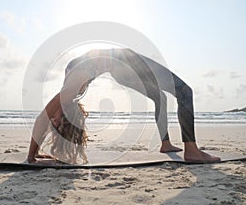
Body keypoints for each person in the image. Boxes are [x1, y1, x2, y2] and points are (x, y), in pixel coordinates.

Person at [27, 48, 220, 164]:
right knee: (185, 92)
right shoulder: (70, 92)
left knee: (159, 97)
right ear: (67, 117)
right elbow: (41, 120)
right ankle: (192, 151)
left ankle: (165, 144)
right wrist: (31, 157)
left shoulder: (69, 93)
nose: (53, 120)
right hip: (127, 61)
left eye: (54, 123)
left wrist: (33, 155)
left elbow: (43, 120)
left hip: (120, 69)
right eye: (58, 123)